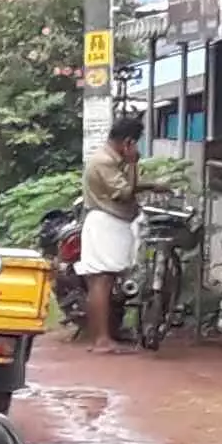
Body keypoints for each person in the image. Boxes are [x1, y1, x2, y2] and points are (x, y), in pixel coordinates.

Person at [80, 115, 144, 345]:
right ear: (128, 142)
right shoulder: (105, 162)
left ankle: (103, 336)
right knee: (102, 281)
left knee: (103, 281)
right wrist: (134, 164)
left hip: (106, 223)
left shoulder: (110, 160)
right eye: (135, 143)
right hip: (106, 223)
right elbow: (125, 192)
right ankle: (101, 339)